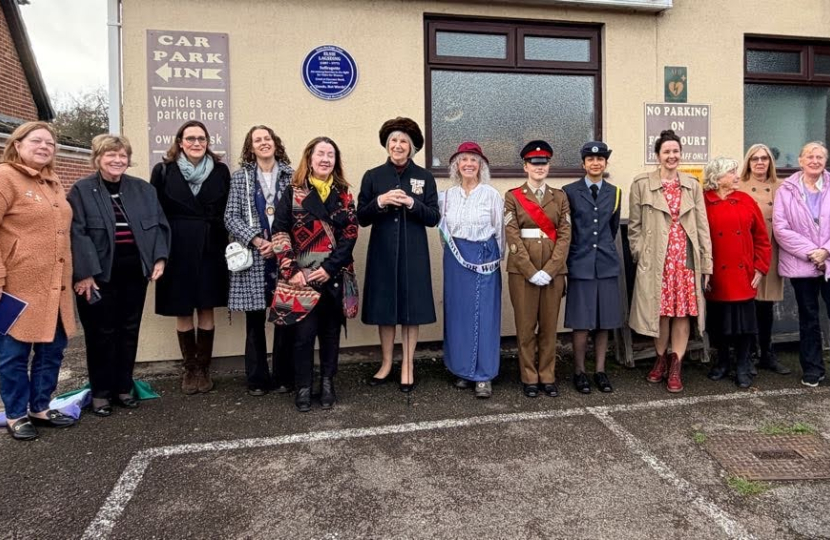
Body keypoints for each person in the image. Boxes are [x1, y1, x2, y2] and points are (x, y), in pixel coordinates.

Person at [69, 134, 171, 416]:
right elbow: (76, 233)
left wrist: (159, 258)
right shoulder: (81, 189)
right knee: (101, 332)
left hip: (134, 270)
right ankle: (101, 392)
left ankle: (123, 387)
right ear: (98, 158)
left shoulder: (142, 189)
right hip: (98, 272)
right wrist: (84, 273)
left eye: (122, 155)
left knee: (128, 330)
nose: (117, 160)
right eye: (110, 155)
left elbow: (160, 226)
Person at [0, 122, 76, 440]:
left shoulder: (53, 181)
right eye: (37, 141)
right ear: (18, 144)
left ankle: (40, 407)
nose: (45, 146)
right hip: (16, 285)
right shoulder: (5, 177)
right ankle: (17, 414)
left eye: (50, 143)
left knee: (52, 350)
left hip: (55, 284)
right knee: (12, 352)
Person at [273, 137, 358, 412]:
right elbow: (280, 231)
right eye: (320, 154)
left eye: (330, 155)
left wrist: (328, 268)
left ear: (336, 161)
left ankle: (328, 385)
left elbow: (350, 234)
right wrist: (290, 269)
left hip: (332, 275)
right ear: (309, 158)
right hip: (301, 279)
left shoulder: (344, 193)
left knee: (331, 334)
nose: (325, 159)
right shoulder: (292, 192)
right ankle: (304, 387)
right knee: (303, 336)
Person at [357, 117, 440, 392]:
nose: (398, 145)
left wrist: (412, 203)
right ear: (386, 145)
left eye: (404, 141)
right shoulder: (373, 176)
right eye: (393, 140)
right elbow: (361, 217)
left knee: (410, 310)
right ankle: (385, 363)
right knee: (385, 310)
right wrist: (380, 201)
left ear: (412, 146)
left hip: (414, 253)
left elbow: (433, 217)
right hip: (382, 251)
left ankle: (408, 365)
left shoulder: (425, 177)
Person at [629, 129, 712, 393]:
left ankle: (676, 365)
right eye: (666, 151)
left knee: (682, 313)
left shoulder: (692, 185)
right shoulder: (641, 184)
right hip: (657, 261)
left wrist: (706, 263)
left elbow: (702, 227)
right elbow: (635, 227)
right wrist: (639, 254)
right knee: (661, 312)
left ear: (680, 154)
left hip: (685, 260)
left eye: (676, 151)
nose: (671, 156)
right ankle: (661, 358)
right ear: (657, 155)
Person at [151, 120, 230, 394]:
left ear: (207, 142)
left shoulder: (220, 171)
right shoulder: (163, 171)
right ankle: (190, 368)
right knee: (182, 308)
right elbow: (155, 215)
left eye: (201, 138)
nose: (196, 143)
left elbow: (226, 210)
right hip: (177, 248)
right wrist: (157, 252)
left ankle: (204, 368)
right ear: (180, 142)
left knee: (206, 306)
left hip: (210, 247)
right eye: (190, 138)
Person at [225, 126, 294, 396]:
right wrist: (256, 240)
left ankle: (283, 376)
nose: (263, 143)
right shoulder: (240, 177)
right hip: (253, 258)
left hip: (284, 256)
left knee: (283, 319)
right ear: (250, 147)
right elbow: (230, 217)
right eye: (257, 140)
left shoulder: (292, 175)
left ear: (275, 143)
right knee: (254, 322)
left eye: (267, 138)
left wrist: (278, 245)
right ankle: (256, 379)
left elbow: (298, 216)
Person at [504, 140, 571, 398]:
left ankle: (548, 375)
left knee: (548, 327)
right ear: (525, 166)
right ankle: (529, 376)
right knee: (525, 326)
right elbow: (512, 236)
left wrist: (551, 269)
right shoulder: (513, 196)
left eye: (543, 163)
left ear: (548, 166)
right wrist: (531, 270)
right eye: (534, 163)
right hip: (522, 271)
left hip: (553, 270)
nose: (539, 167)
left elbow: (565, 235)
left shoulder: (560, 197)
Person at [439, 142, 503, 398]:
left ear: (481, 166)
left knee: (484, 316)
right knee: (458, 315)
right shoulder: (447, 196)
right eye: (463, 160)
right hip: (456, 261)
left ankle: (484, 375)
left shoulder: (491, 195)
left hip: (484, 258)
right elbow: (443, 235)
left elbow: (500, 232)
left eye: (473, 160)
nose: (468, 164)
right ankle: (462, 370)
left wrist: (497, 259)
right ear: (456, 165)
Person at [703, 157, 771, 388]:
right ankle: (722, 362)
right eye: (731, 172)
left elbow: (762, 238)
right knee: (719, 322)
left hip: (743, 274)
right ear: (717, 177)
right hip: (715, 274)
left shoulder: (745, 200)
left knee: (745, 324)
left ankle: (742, 365)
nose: (736, 176)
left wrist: (761, 268)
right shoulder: (704, 201)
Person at [563, 141, 622, 394]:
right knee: (581, 322)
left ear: (605, 163)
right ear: (583, 164)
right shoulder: (569, 191)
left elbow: (612, 227)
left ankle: (600, 371)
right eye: (590, 159)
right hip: (581, 263)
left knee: (604, 321)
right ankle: (579, 371)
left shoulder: (616, 192)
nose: (595, 163)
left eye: (600, 160)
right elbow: (567, 231)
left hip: (606, 265)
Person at [773, 141, 830, 387]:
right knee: (808, 317)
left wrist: (826, 251)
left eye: (819, 157)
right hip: (802, 263)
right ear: (800, 160)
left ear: (825, 161)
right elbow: (781, 228)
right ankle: (813, 369)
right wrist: (812, 252)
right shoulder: (786, 189)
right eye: (810, 156)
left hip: (829, 260)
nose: (814, 161)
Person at [737, 144, 790, 375]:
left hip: (772, 250)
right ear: (748, 162)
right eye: (755, 159)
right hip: (746, 252)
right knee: (748, 303)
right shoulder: (740, 187)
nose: (760, 162)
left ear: (771, 162)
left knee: (767, 304)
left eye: (764, 158)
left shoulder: (782, 187)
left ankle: (767, 353)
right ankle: (747, 353)